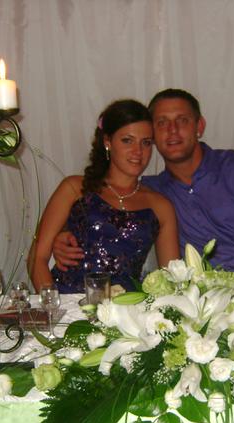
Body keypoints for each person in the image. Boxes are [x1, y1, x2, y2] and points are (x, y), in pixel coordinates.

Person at [53, 89, 234, 290]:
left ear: (199, 126)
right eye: (162, 123)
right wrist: (63, 235)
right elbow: (105, 209)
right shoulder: (151, 193)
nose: (172, 130)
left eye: (182, 120)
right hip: (199, 303)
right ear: (152, 134)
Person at [27, 99, 179, 293]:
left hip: (126, 307)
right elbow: (36, 259)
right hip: (67, 302)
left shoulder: (161, 206)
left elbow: (172, 280)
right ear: (108, 142)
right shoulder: (74, 188)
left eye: (146, 143)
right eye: (127, 140)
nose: (138, 151)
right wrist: (52, 305)